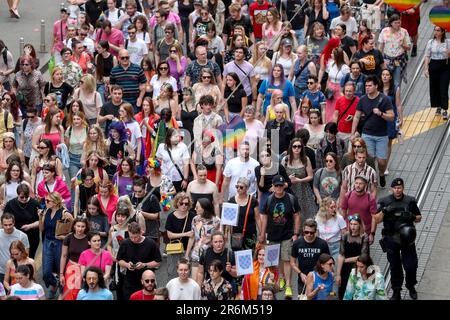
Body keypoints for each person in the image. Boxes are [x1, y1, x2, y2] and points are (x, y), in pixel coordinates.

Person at [373, 178, 422, 300]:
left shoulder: (410, 201)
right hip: (391, 239)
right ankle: (396, 291)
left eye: (399, 188)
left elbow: (419, 217)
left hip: (407, 240)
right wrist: (385, 210)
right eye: (395, 188)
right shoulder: (385, 201)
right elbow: (377, 219)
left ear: (403, 188)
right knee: (395, 266)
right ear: (391, 189)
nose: (397, 190)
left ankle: (411, 286)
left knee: (411, 265)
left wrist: (411, 216)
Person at [259, 175, 300, 299]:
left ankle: (288, 284)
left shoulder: (291, 199)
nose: (278, 188)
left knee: (287, 259)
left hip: (287, 234)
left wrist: (296, 233)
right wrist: (262, 233)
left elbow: (297, 215)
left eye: (281, 185)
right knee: (275, 260)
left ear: (284, 186)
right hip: (272, 235)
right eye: (276, 185)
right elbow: (264, 217)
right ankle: (281, 277)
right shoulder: (269, 199)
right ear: (273, 186)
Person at [350, 75, 394, 188]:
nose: (367, 88)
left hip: (381, 135)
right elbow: (356, 116)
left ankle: (381, 173)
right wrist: (352, 133)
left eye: (370, 85)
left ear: (376, 86)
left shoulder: (384, 99)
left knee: (382, 162)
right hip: (367, 134)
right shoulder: (363, 100)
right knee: (369, 159)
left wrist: (381, 113)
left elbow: (391, 116)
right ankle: (371, 180)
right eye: (366, 86)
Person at [38, 192, 73, 299]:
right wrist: (40, 217)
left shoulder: (65, 213)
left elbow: (75, 230)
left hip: (59, 243)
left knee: (60, 269)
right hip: (48, 242)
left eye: (48, 201)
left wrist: (64, 237)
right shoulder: (47, 211)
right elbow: (41, 229)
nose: (45, 202)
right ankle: (55, 284)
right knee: (46, 272)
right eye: (45, 200)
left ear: (55, 202)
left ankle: (62, 291)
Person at [116, 222, 162, 300]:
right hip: (130, 282)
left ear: (141, 232)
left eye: (136, 237)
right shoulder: (125, 243)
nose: (134, 239)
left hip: (147, 281)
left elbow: (158, 262)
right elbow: (119, 260)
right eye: (131, 237)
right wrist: (127, 265)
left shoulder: (151, 243)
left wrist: (144, 265)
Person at [290, 219, 330, 298]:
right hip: (303, 279)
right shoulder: (297, 243)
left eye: (311, 233)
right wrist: (300, 273)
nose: (309, 234)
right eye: (306, 232)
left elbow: (328, 262)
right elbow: (292, 262)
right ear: (303, 231)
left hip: (319, 278)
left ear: (315, 231)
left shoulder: (322, 244)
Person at [281, 139, 316, 221]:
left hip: (303, 190)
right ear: (291, 148)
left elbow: (310, 176)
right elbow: (280, 177)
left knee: (305, 213)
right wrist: (288, 179)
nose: (296, 148)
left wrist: (299, 180)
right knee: (288, 211)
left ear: (302, 148)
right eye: (294, 146)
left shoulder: (305, 159)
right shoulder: (285, 160)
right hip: (289, 190)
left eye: (299, 146)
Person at [336, 214, 369, 299]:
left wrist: (346, 260)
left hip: (358, 267)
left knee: (357, 290)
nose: (352, 226)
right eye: (351, 224)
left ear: (360, 225)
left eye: (355, 224)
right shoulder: (345, 236)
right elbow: (341, 254)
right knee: (343, 289)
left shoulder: (364, 237)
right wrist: (338, 274)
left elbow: (363, 255)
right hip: (345, 268)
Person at [165, 193, 196, 280]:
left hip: (187, 249)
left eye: (186, 204)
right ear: (177, 204)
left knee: (186, 274)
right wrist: (185, 234)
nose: (184, 206)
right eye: (181, 203)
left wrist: (187, 255)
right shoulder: (171, 216)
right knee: (173, 274)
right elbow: (169, 235)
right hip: (174, 250)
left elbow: (192, 236)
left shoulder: (192, 216)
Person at [3, 184, 40, 258]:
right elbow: (5, 219)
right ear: (17, 195)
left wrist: (30, 226)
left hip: (32, 236)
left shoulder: (34, 204)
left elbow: (40, 221)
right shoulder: (11, 204)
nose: (24, 199)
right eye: (22, 197)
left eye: (26, 197)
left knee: (29, 258)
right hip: (15, 236)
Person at [59, 216, 90, 300]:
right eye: (78, 226)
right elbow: (64, 256)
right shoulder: (68, 238)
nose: (80, 229)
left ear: (86, 227)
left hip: (84, 268)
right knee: (69, 293)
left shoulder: (89, 238)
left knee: (80, 293)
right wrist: (61, 274)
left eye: (82, 226)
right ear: (74, 226)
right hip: (71, 268)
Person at [340, 175, 377, 242]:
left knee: (363, 252)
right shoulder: (348, 195)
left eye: (360, 183)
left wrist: (372, 234)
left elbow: (374, 218)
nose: (358, 185)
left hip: (365, 232)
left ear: (366, 185)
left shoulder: (370, 199)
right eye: (356, 183)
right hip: (350, 230)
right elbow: (343, 212)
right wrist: (342, 228)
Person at [378, 14, 411, 89]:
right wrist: (380, 59)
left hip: (399, 60)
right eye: (396, 23)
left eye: (399, 22)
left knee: (397, 83)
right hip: (387, 59)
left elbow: (408, 47)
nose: (398, 24)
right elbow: (381, 46)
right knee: (385, 81)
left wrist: (403, 45)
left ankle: (397, 99)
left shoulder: (404, 32)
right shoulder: (384, 31)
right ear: (391, 23)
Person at [424, 26, 450, 120]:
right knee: (435, 87)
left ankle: (445, 109)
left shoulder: (448, 42)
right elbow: (427, 56)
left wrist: (449, 53)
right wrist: (426, 68)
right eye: (435, 30)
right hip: (434, 65)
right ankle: (438, 106)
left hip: (445, 67)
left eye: (438, 30)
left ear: (443, 32)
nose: (436, 32)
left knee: (444, 88)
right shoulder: (430, 42)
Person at [315, 197, 347, 269]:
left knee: (335, 268)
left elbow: (344, 234)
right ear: (325, 208)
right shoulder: (318, 218)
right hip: (323, 246)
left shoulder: (339, 218)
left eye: (335, 207)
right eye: (331, 207)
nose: (334, 209)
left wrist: (344, 248)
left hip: (336, 246)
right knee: (325, 269)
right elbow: (316, 234)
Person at [156, 128, 190, 192]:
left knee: (178, 199)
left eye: (178, 136)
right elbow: (158, 160)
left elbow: (186, 164)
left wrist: (185, 179)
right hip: (165, 178)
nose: (178, 138)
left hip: (178, 178)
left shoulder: (183, 147)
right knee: (166, 199)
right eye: (176, 136)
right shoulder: (161, 146)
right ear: (169, 137)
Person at [0, 213, 29, 285]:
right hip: (1, 271)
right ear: (1, 224)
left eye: (10, 224)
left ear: (14, 223)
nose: (8, 227)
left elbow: (26, 255)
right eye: (5, 225)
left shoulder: (22, 236)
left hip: (16, 273)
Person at [333, 81, 359, 149]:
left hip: (352, 133)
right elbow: (335, 115)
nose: (347, 93)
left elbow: (361, 116)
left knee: (350, 155)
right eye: (346, 91)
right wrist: (334, 129)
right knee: (339, 153)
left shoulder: (358, 101)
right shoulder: (339, 100)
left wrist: (353, 118)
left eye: (350, 91)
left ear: (354, 91)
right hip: (340, 132)